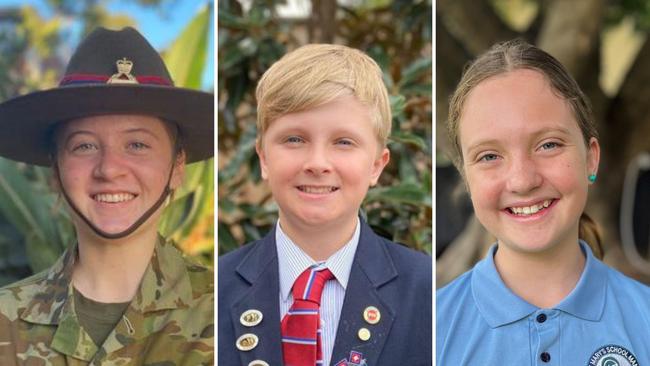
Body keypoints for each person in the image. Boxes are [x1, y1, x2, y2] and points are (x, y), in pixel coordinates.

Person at [0, 27, 214, 365]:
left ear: (177, 166)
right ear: (56, 171)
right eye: (84, 145)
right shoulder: (4, 321)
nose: (110, 169)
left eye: (137, 145)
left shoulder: (226, 312)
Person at [437, 39, 650, 365]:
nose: (522, 180)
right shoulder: (429, 330)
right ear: (466, 178)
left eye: (548, 145)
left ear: (591, 160)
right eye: (490, 155)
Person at [218, 44, 432, 366]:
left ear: (377, 165)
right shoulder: (216, 289)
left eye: (343, 142)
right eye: (294, 139)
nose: (317, 163)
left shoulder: (426, 291)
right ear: (263, 158)